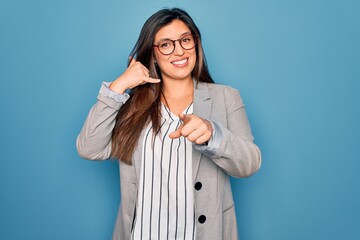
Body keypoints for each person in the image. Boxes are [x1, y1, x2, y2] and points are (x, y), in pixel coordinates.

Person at [76, 7, 261, 240]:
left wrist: (213, 135)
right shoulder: (132, 105)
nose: (179, 51)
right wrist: (119, 85)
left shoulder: (226, 97)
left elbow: (250, 163)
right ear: (152, 54)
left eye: (185, 40)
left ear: (196, 43)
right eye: (166, 44)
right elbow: (89, 148)